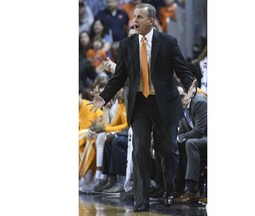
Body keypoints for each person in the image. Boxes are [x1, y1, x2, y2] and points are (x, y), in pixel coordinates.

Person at [87, 3, 197, 212]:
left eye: (139, 17)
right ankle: (141, 201)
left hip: (164, 102)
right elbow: (119, 78)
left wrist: (191, 85)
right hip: (140, 103)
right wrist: (103, 97)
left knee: (167, 151)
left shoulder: (168, 42)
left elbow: (183, 70)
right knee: (139, 151)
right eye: (134, 16)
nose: (134, 20)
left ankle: (168, 189)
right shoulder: (127, 44)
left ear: (151, 21)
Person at [174, 86, 207, 204]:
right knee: (176, 145)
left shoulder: (199, 103)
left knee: (190, 143)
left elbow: (200, 130)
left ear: (186, 95)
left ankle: (193, 190)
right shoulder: (181, 108)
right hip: (197, 140)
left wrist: (180, 137)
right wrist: (175, 139)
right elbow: (181, 131)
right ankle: (177, 188)